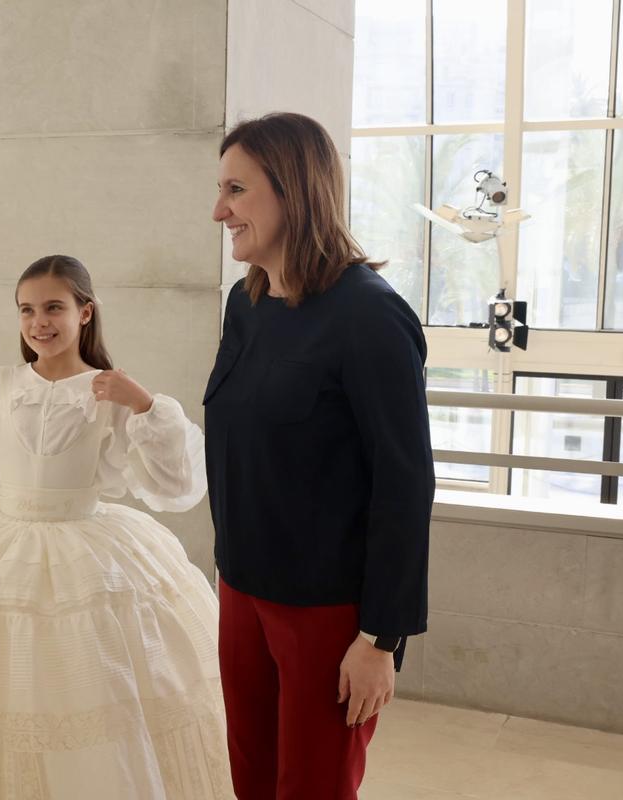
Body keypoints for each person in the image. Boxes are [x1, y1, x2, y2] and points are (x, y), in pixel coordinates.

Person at [0, 254, 234, 799]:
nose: (39, 322)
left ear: (85, 313)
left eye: (54, 307)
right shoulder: (1, 386)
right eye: (27, 310)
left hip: (88, 549)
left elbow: (175, 486)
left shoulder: (109, 390)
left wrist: (144, 405)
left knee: (85, 695)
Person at [204, 113, 434, 799]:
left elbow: (405, 484)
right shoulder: (244, 306)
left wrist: (381, 639)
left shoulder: (370, 317)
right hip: (241, 589)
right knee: (251, 781)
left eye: (237, 190)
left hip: (327, 616)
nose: (220, 211)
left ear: (293, 191)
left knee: (312, 788)